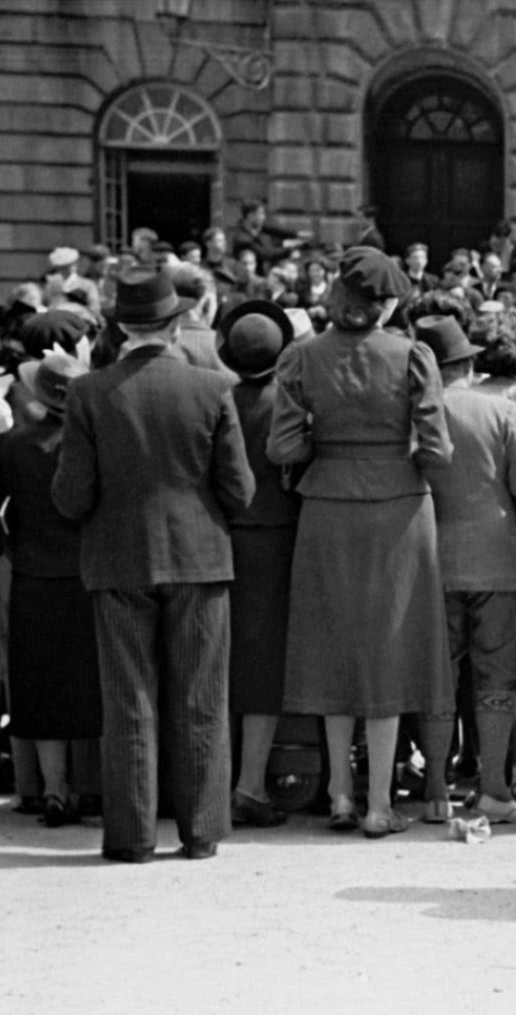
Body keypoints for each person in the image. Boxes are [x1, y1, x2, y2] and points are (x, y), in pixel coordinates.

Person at [52, 267, 256, 861]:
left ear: (118, 325)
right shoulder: (214, 388)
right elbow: (239, 491)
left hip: (118, 558)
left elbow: (72, 496)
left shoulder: (90, 393)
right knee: (200, 698)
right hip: (199, 555)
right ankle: (201, 832)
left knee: (128, 700)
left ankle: (134, 836)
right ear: (177, 324)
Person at [267, 247, 454, 838]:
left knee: (331, 645)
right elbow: (438, 449)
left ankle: (340, 795)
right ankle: (379, 803)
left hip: (327, 506)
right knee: (389, 648)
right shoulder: (412, 355)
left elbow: (285, 448)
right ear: (387, 302)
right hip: (399, 507)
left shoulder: (301, 356)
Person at [412, 315, 516, 829]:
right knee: (497, 679)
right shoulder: (501, 409)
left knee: (438, 677)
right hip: (500, 557)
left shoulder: (417, 412)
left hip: (432, 560)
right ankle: (493, 789)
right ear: (468, 363)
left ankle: (435, 792)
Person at [0, 350, 102, 827]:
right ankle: (92, 785)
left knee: (39, 687)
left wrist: (9, 544)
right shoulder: (98, 441)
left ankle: (54, 788)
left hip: (32, 572)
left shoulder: (11, 445)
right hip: (89, 573)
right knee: (90, 683)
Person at [216, 300, 302, 829]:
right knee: (266, 665)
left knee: (220, 662)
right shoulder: (289, 403)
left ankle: (220, 780)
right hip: (278, 536)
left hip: (224, 537)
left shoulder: (216, 396)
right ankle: (250, 783)